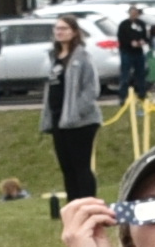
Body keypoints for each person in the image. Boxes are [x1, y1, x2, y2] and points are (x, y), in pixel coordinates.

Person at [38, 12, 114, 204]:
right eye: (57, 28)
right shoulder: (54, 57)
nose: (59, 32)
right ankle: (73, 209)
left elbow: (91, 89)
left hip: (81, 122)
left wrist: (75, 111)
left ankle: (89, 206)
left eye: (64, 28)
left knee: (81, 167)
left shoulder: (82, 57)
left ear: (74, 32)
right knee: (67, 168)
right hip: (58, 120)